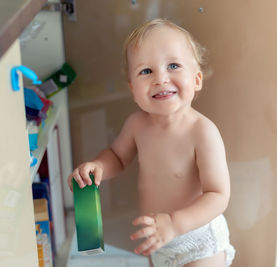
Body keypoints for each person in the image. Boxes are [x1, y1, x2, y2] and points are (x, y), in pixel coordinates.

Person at [68, 18, 235, 267]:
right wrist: (99, 167)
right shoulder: (137, 124)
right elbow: (117, 156)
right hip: (157, 238)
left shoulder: (202, 131)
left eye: (173, 66)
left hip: (197, 239)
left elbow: (218, 195)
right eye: (146, 71)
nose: (160, 78)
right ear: (133, 88)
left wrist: (175, 223)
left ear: (197, 79)